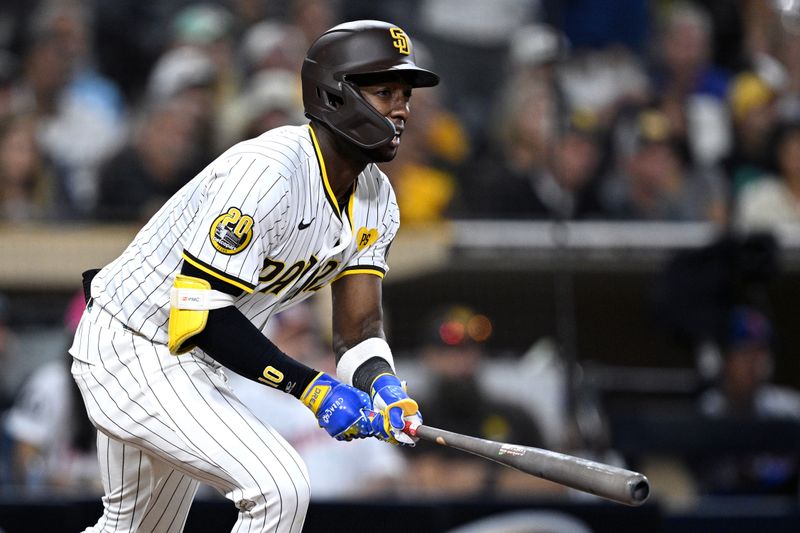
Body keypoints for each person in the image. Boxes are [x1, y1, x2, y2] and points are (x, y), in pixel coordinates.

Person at [69, 20, 438, 533]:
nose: (401, 109)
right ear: (334, 95)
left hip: (191, 363)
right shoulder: (269, 172)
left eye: (405, 95)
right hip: (134, 345)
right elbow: (198, 317)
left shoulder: (377, 198)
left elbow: (358, 329)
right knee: (280, 486)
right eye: (383, 92)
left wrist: (384, 385)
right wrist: (312, 388)